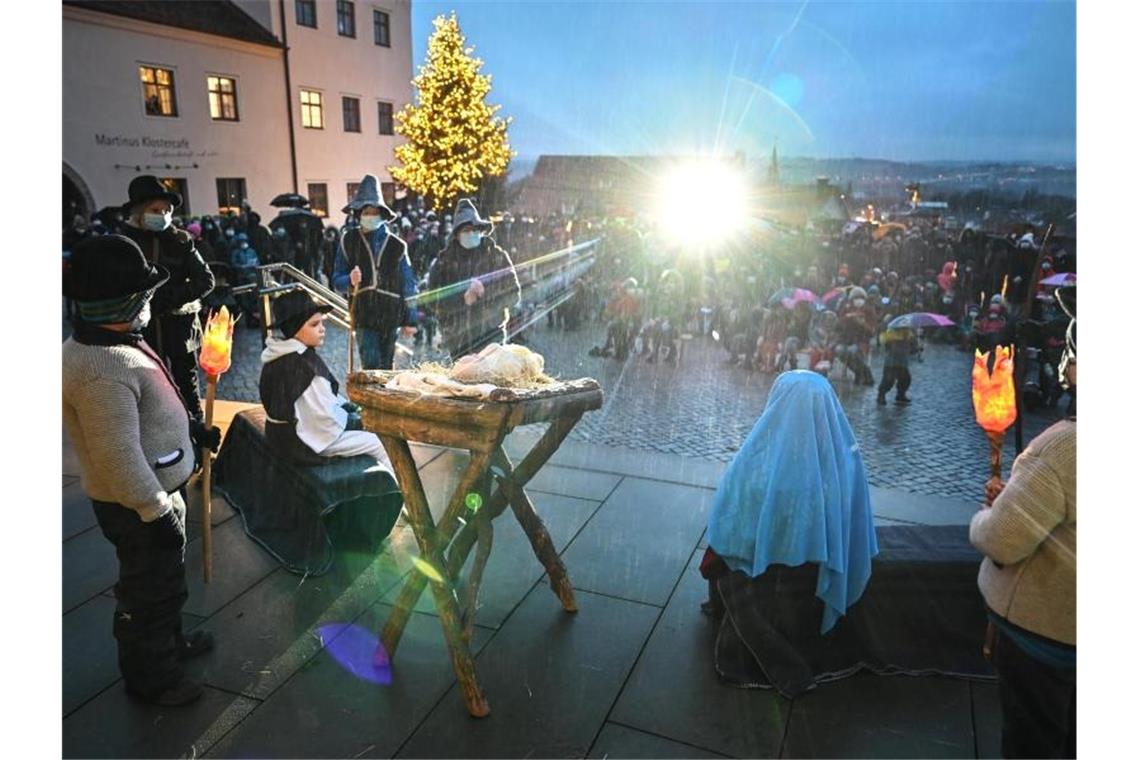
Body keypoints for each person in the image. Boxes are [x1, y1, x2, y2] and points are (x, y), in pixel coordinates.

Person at [63, 235, 218, 707]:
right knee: (147, 593)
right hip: (138, 505)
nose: (151, 304)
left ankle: (170, 643)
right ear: (127, 303)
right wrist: (155, 511)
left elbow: (154, 409)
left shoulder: (118, 342)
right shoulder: (101, 368)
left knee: (167, 584)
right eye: (146, 297)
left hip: (160, 490)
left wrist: (191, 429)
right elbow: (117, 453)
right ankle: (152, 677)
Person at [970, 285, 1076, 759]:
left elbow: (1004, 538)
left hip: (1048, 637)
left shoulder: (1066, 447)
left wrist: (987, 516)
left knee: (1034, 741)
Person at [702, 371, 878, 633]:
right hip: (819, 572)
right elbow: (853, 521)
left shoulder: (754, 462)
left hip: (769, 577)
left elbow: (729, 529)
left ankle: (725, 605)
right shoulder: (846, 461)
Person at [259, 290, 394, 467]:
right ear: (295, 329)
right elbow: (323, 423)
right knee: (380, 443)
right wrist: (355, 420)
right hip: (299, 442)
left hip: (280, 433)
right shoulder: (301, 367)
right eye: (314, 325)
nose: (323, 329)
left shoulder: (280, 353)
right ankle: (396, 492)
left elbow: (317, 403)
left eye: (322, 323)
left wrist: (344, 407)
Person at [118, 175, 215, 420]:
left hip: (180, 327)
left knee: (187, 384)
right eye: (155, 209)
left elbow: (206, 280)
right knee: (149, 385)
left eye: (166, 210)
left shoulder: (181, 240)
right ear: (140, 210)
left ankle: (196, 433)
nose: (162, 214)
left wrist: (171, 298)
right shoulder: (123, 242)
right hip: (141, 330)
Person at [332, 175, 418, 369]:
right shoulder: (348, 240)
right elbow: (336, 279)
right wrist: (349, 280)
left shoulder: (398, 245)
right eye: (366, 211)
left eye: (374, 211)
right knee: (370, 364)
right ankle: (369, 399)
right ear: (359, 214)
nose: (370, 215)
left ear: (382, 214)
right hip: (363, 313)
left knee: (386, 366)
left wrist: (410, 318)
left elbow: (409, 284)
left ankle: (383, 399)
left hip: (390, 313)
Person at [428, 198, 522, 359]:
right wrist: (462, 299)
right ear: (457, 234)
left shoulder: (497, 257)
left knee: (490, 379)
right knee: (463, 381)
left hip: (491, 334)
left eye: (474, 229)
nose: (471, 233)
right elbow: (433, 300)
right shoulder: (444, 261)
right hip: (457, 337)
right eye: (465, 230)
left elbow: (514, 294)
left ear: (481, 230)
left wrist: (485, 293)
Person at [877, 326, 916, 405]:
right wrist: (900, 343)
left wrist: (913, 346)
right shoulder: (891, 333)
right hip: (891, 362)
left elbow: (911, 348)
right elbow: (888, 346)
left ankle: (900, 395)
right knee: (888, 381)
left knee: (905, 379)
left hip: (902, 362)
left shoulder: (908, 333)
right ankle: (881, 396)